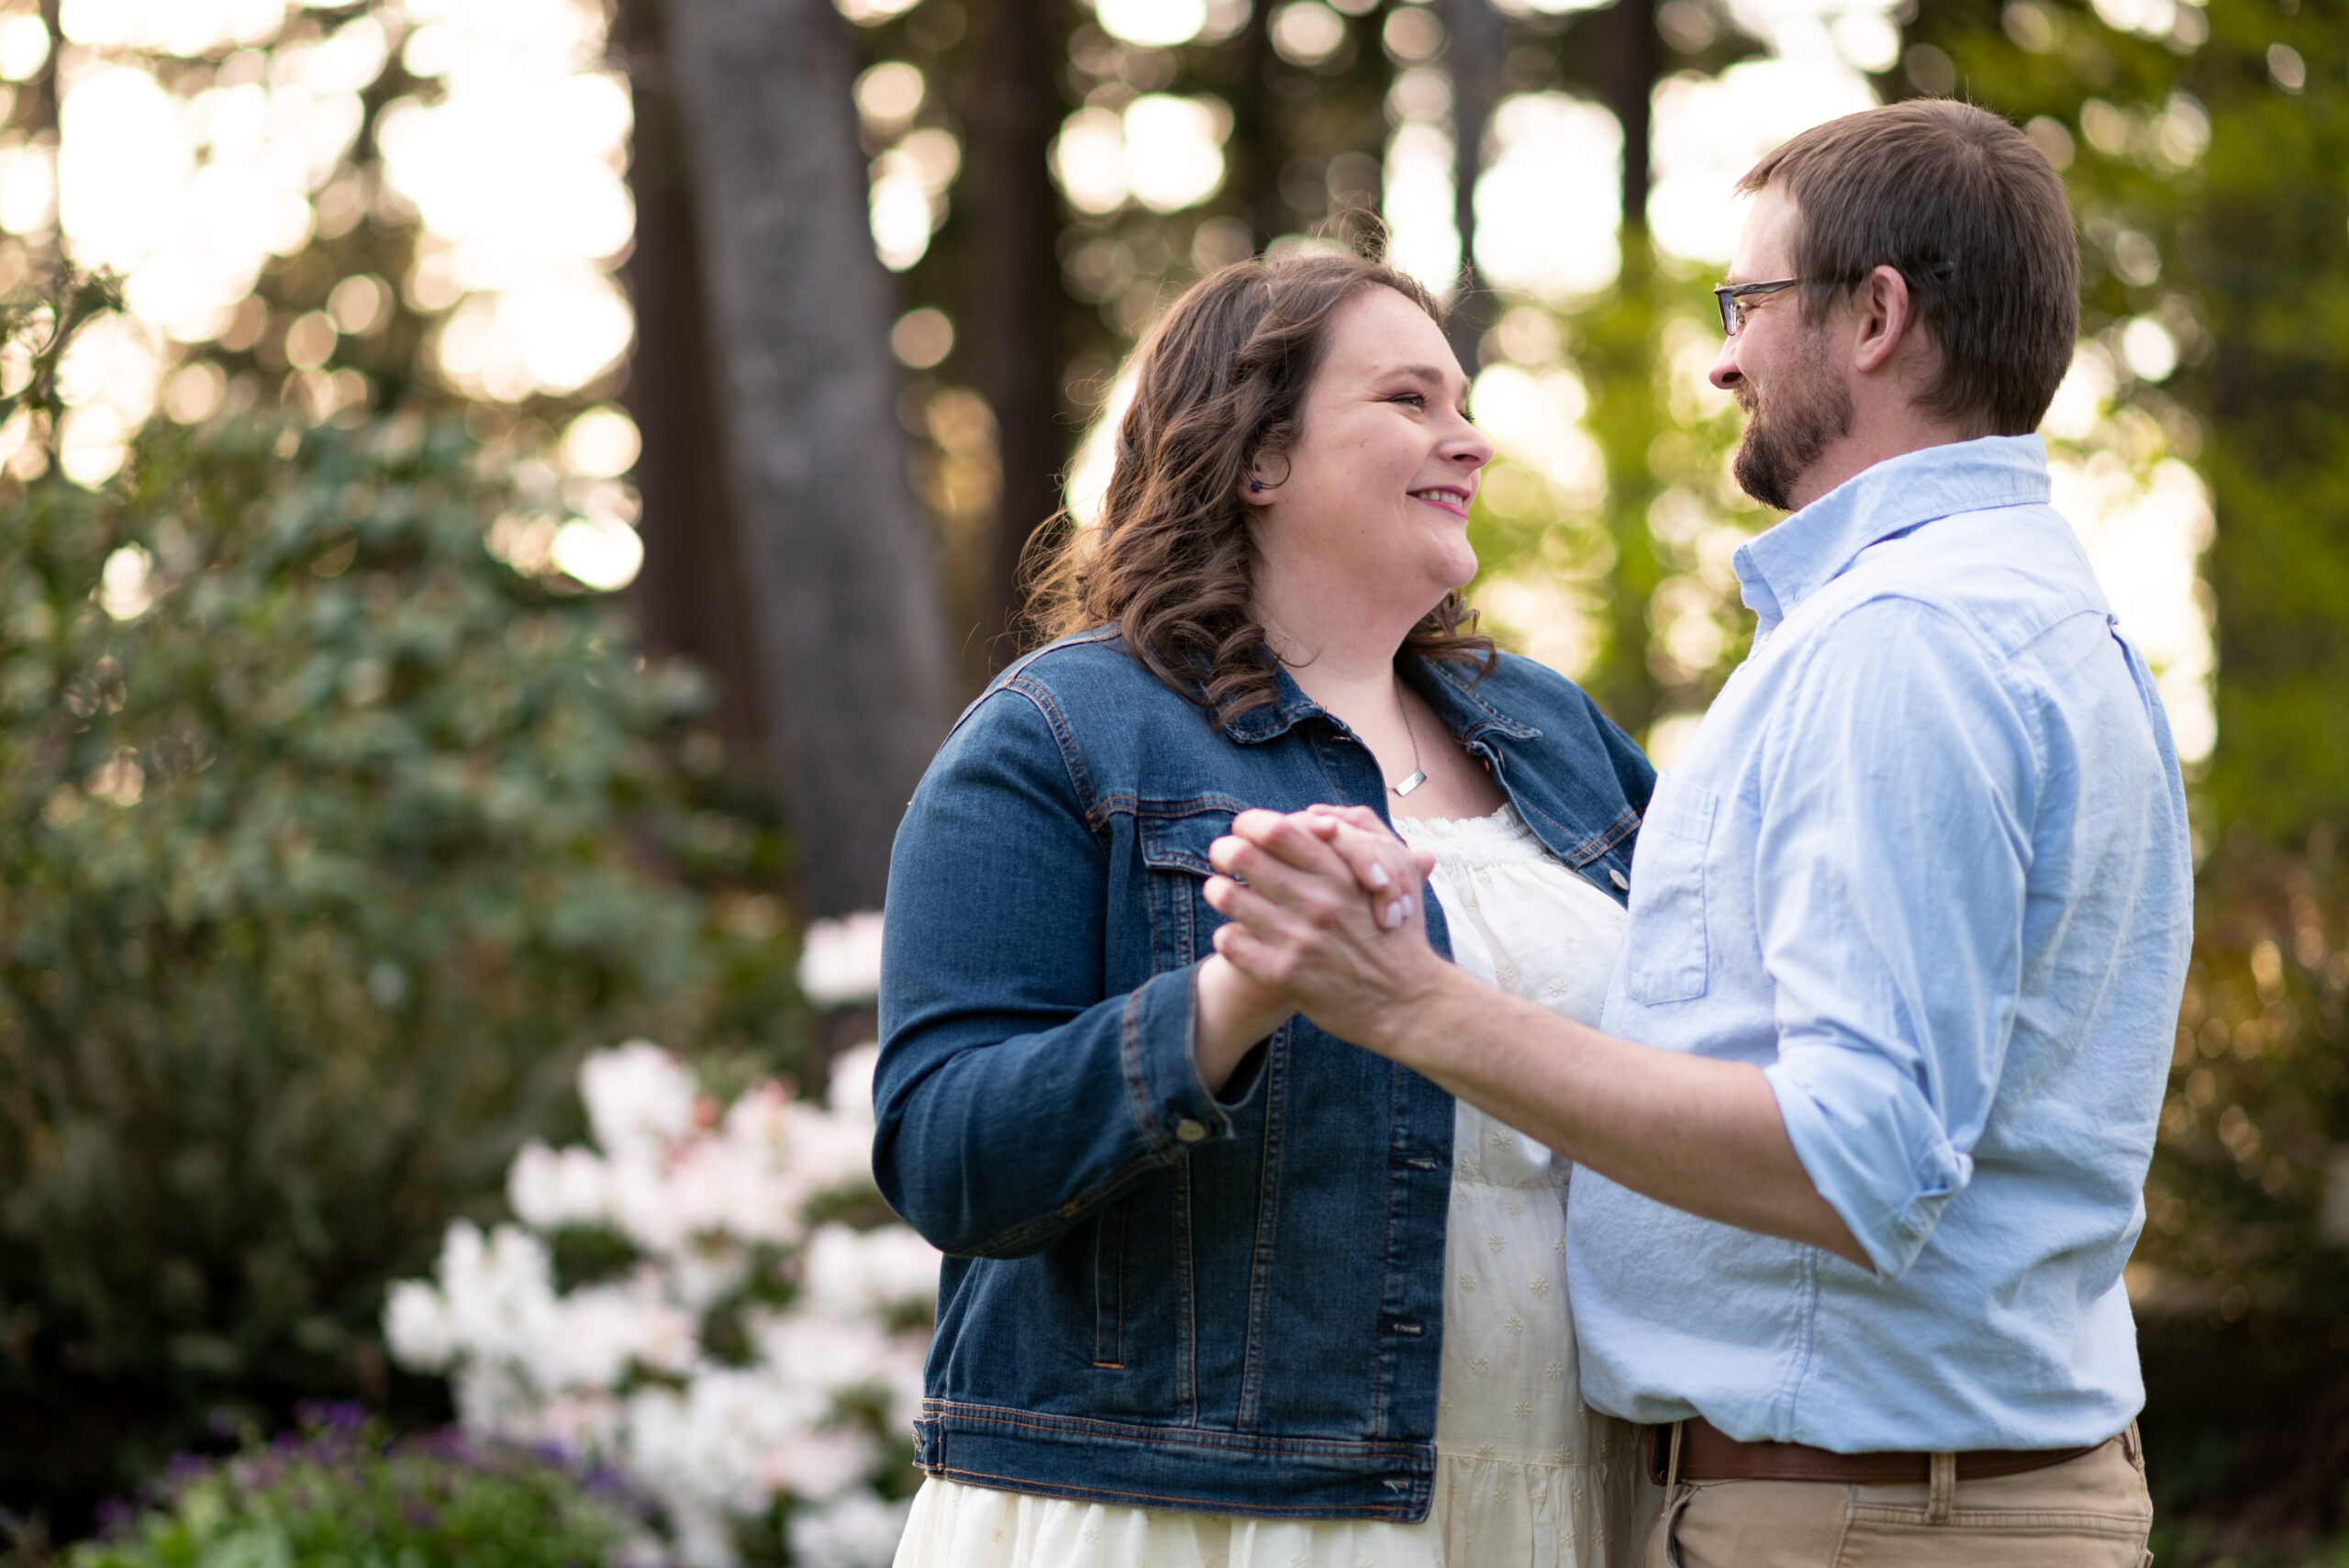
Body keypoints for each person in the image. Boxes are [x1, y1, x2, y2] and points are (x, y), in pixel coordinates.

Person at [1203, 99, 2194, 1568]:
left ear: (1876, 317)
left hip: (1863, 1523)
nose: (1722, 354)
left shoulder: (1902, 646)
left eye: (1748, 303)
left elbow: (1857, 1156)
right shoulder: (2042, 619)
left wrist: (1416, 1004)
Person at [872, 249, 1661, 1566]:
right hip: (1195, 1512)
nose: (1468, 440)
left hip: (1564, 1498)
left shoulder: (1556, 732)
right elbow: (944, 1150)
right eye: (1410, 400)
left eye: (1463, 402)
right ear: (1258, 457)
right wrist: (1235, 996)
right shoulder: (1063, 736)